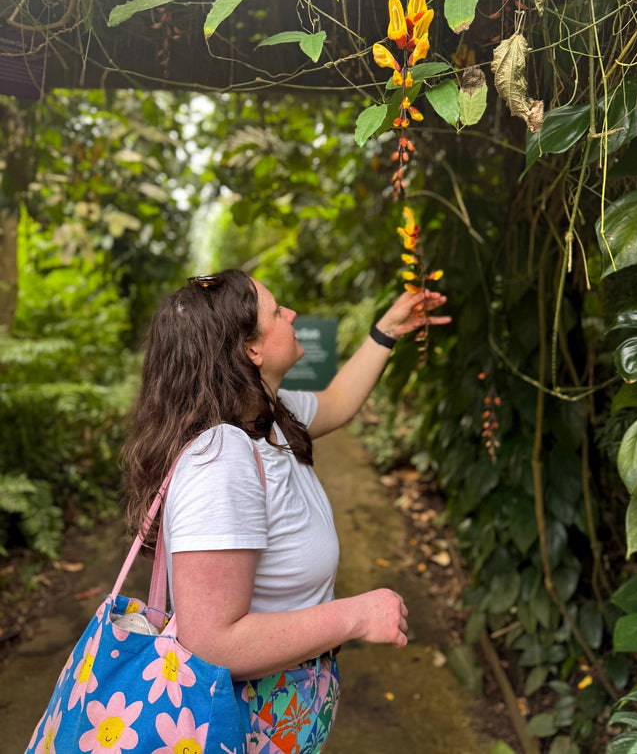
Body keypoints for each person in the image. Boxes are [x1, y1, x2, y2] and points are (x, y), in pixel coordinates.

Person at [121, 268, 450, 753]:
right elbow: (210, 643)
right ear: (251, 350)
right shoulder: (221, 461)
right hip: (242, 725)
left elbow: (338, 402)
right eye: (277, 312)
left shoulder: (266, 416)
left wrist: (387, 330)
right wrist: (356, 616)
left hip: (287, 713)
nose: (292, 314)